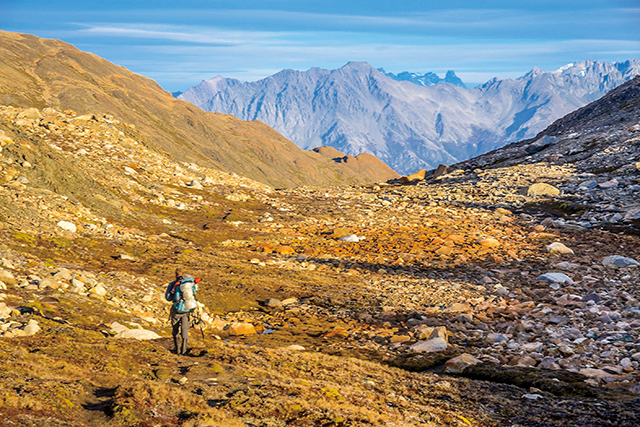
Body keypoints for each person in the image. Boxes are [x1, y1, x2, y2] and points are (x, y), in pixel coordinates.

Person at [165, 268, 200, 355]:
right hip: (187, 310)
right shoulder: (189, 283)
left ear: (175, 275)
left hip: (176, 310)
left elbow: (168, 298)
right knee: (185, 329)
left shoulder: (173, 284)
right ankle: (184, 352)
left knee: (175, 329)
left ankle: (177, 350)